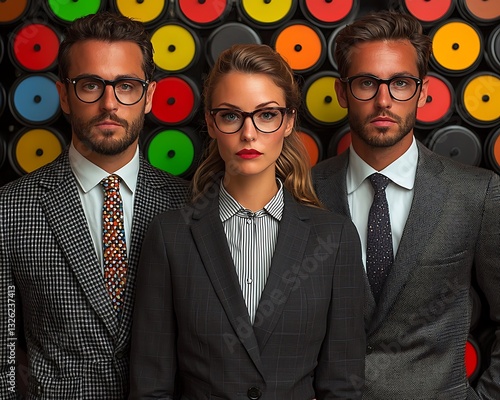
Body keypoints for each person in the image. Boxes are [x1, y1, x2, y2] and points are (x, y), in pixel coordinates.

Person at [129, 43, 365, 399]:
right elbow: (151, 386)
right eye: (230, 115)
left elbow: (342, 386)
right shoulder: (170, 236)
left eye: (266, 115)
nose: (249, 134)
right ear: (210, 122)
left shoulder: (334, 239)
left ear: (287, 121)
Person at [312, 10, 500, 400]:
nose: (383, 101)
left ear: (423, 91)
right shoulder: (305, 191)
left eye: (400, 83)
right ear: (342, 91)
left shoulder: (476, 194)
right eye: (367, 83)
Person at [0, 12, 189, 399]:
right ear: (64, 95)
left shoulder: (191, 205)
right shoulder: (9, 209)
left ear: (149, 95)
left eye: (127, 86)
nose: (109, 104)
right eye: (90, 85)